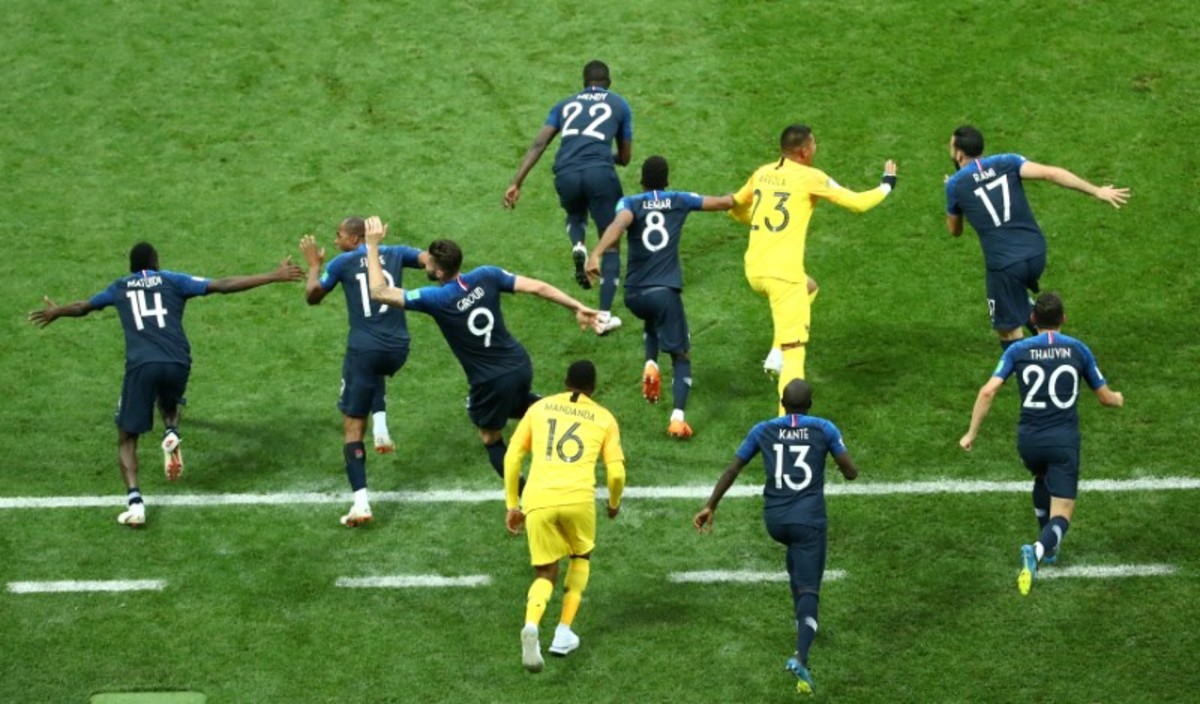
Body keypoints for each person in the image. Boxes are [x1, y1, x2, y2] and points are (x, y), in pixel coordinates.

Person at [28, 243, 302, 527]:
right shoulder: (173, 280)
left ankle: (135, 503)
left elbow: (82, 307)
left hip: (142, 366)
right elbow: (223, 284)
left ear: (132, 267)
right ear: (156, 262)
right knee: (170, 398)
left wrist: (57, 311)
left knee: (127, 437)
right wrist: (273, 275)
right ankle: (171, 430)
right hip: (177, 361)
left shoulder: (120, 286)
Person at [362, 216, 600, 482]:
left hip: (490, 380)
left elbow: (380, 292)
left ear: (438, 273)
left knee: (489, 436)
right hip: (519, 364)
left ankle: (525, 495)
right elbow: (538, 287)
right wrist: (577, 307)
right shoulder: (487, 275)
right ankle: (559, 413)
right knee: (516, 404)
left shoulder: (436, 298)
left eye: (429, 263)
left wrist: (371, 246)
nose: (425, 263)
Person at [693, 379, 858, 696]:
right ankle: (802, 656)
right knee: (810, 587)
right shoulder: (824, 428)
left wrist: (710, 505)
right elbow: (851, 472)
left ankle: (802, 622)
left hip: (776, 520)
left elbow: (733, 469)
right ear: (810, 405)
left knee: (794, 555)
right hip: (808, 521)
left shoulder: (763, 429)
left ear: (782, 403)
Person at [959, 292, 1124, 595]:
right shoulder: (1078, 349)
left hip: (1029, 441)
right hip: (1062, 443)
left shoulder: (1018, 350)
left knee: (1040, 476)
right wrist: (1117, 399)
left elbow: (987, 392)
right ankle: (1037, 550)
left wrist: (971, 434)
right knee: (1063, 513)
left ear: (1033, 319)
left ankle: (1048, 548)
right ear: (1064, 318)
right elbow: (1104, 397)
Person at [730, 124, 897, 405]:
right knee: (794, 354)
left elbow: (735, 208)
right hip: (783, 278)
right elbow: (858, 203)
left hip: (755, 270)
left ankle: (775, 350)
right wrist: (887, 184)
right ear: (804, 151)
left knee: (809, 288)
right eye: (814, 143)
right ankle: (788, 422)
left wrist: (759, 221)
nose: (816, 147)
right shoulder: (811, 178)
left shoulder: (762, 173)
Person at [585, 155, 733, 438]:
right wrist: (750, 193)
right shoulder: (679, 199)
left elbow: (618, 225)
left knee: (652, 317)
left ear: (641, 181)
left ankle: (651, 363)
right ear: (667, 181)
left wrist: (596, 253)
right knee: (681, 356)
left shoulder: (629, 203)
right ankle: (677, 418)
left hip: (634, 295)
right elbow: (723, 203)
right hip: (664, 292)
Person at [944, 125, 1130, 349]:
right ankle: (1047, 339)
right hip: (1036, 253)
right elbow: (1051, 173)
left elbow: (955, 231)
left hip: (1005, 265)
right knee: (1015, 296)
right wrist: (1096, 190)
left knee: (1008, 328)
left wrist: (956, 198)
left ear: (959, 155)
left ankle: (1032, 366)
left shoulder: (955, 184)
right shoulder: (1008, 161)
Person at [300, 217, 429, 527]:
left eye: (339, 236)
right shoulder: (396, 252)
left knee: (352, 427)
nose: (335, 242)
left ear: (356, 238)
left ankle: (361, 503)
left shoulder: (342, 263)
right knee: (376, 366)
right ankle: (381, 427)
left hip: (364, 351)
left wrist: (314, 266)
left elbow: (312, 296)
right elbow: (429, 259)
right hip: (398, 349)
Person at [502, 359, 625, 673]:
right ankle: (563, 633)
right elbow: (616, 474)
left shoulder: (539, 408)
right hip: (577, 500)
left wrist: (513, 504)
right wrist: (613, 503)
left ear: (566, 381)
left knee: (545, 573)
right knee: (581, 556)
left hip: (538, 500)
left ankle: (532, 623)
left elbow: (513, 456)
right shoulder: (605, 418)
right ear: (592, 388)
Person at [503, 59, 633, 336]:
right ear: (608, 83)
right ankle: (603, 316)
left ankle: (578, 244)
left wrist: (516, 182)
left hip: (566, 172)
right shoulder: (619, 104)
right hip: (600, 173)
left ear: (584, 83)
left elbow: (539, 143)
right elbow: (625, 157)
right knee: (611, 241)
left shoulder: (564, 105)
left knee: (575, 213)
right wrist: (601, 155)